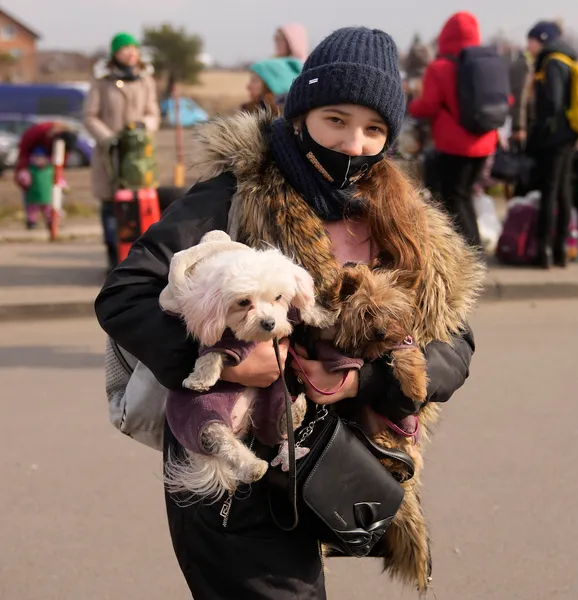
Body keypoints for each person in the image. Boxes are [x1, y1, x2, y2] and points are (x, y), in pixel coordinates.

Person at [94, 26, 481, 600]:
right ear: (300, 115)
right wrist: (222, 365)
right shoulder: (236, 191)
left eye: (374, 129)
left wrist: (360, 381)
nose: (353, 143)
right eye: (336, 119)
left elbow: (454, 343)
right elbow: (126, 293)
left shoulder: (404, 217)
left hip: (334, 461)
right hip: (232, 459)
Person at [408, 11, 498, 250]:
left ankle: (469, 256)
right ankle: (476, 252)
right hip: (485, 142)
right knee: (466, 196)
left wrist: (410, 105)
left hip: (454, 145)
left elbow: (427, 106)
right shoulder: (485, 67)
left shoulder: (440, 68)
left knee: (454, 200)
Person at [84, 32, 160, 273]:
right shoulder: (101, 80)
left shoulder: (145, 79)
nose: (131, 53)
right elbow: (89, 116)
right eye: (125, 49)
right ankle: (112, 258)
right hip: (111, 156)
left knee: (139, 207)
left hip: (138, 156)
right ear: (115, 53)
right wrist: (109, 138)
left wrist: (143, 127)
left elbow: (153, 112)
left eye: (134, 48)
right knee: (111, 208)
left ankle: (136, 261)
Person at [523, 21, 578, 268]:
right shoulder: (566, 58)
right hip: (568, 134)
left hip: (556, 137)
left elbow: (554, 102)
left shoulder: (552, 61)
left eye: (532, 40)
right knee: (564, 191)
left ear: (543, 39)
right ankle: (561, 251)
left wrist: (542, 129)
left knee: (550, 191)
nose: (529, 45)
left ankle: (544, 251)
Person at [13, 121, 77, 229]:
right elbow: (23, 150)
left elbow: (61, 162)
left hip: (48, 172)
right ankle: (31, 220)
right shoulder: (37, 133)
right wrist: (23, 170)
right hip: (32, 170)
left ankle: (52, 219)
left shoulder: (66, 141)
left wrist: (60, 177)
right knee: (30, 198)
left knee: (52, 196)